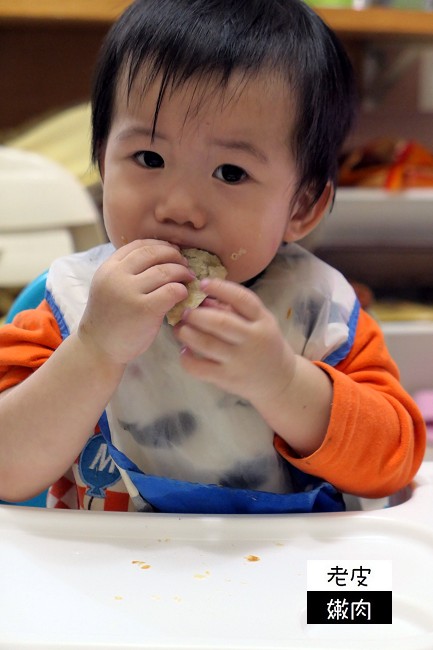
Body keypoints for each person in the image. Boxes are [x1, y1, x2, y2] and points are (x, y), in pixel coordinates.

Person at [0, 0, 425, 513]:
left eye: (231, 173)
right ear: (103, 165)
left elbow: (392, 466)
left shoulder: (319, 313)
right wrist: (94, 351)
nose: (178, 207)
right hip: (105, 575)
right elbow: (8, 470)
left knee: (373, 597)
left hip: (280, 573)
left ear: (303, 205)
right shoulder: (67, 305)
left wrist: (284, 382)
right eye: (149, 158)